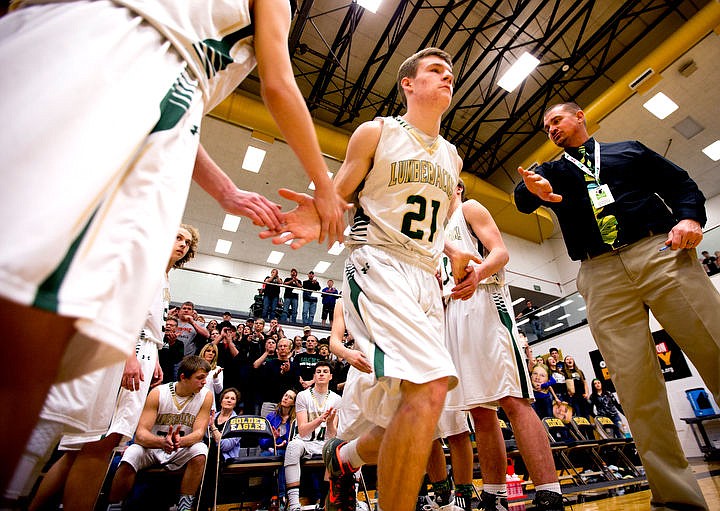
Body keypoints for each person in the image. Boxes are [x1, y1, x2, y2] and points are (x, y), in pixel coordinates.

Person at [0, 0, 348, 490]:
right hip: (127, 65)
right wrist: (324, 185)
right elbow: (277, 83)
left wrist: (225, 190)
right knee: (28, 327)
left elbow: (178, 100)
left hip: (79, 50)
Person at [265, 47, 480, 511]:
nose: (448, 78)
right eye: (436, 71)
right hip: (378, 264)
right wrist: (315, 216)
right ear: (408, 83)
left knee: (406, 417)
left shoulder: (452, 157)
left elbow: (438, 223)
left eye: (451, 73)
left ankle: (343, 457)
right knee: (430, 385)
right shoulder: (377, 132)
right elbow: (338, 195)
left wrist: (456, 248)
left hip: (426, 279)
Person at [514, 101, 720, 511]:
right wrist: (529, 190)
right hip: (599, 272)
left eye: (557, 119)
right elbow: (522, 198)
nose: (551, 128)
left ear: (579, 117)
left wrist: (690, 219)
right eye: (545, 126)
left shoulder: (629, 151)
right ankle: (677, 497)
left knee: (714, 346)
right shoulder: (552, 171)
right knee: (634, 385)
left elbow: (682, 186)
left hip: (658, 250)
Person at [5, 226, 198, 511]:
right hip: (125, 350)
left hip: (140, 349)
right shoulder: (146, 264)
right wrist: (129, 354)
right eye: (177, 237)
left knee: (79, 448)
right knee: (102, 442)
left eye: (187, 242)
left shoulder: (163, 275)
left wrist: (154, 355)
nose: (182, 244)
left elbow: (146, 321)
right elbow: (123, 310)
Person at [440, 180, 563, 511]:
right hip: (455, 318)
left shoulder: (469, 208)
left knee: (513, 399)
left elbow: (501, 252)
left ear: (455, 187)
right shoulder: (435, 234)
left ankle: (550, 494)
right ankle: (494, 496)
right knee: (480, 410)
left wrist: (477, 273)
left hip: (486, 304)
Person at [105, 356, 214, 511]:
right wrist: (162, 442)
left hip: (180, 448)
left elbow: (198, 434)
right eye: (200, 378)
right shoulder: (158, 393)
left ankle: (184, 506)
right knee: (132, 453)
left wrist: (179, 442)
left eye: (205, 378)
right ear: (183, 377)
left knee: (201, 450)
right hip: (153, 447)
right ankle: (114, 505)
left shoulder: (206, 395)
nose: (204, 382)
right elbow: (141, 435)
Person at [284, 362, 341, 511]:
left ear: (330, 376)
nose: (321, 374)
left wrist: (328, 423)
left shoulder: (336, 399)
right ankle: (294, 504)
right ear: (314, 376)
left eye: (325, 371)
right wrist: (319, 420)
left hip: (324, 442)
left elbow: (332, 434)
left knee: (336, 448)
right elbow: (302, 431)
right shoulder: (303, 396)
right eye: (318, 371)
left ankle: (324, 502)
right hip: (305, 441)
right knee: (292, 447)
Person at [266, 389, 297, 503]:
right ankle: (276, 497)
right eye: (285, 395)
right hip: (270, 449)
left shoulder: (295, 419)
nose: (285, 398)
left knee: (283, 457)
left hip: (287, 450)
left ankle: (279, 497)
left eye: (290, 397)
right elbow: (262, 442)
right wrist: (273, 439)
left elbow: (296, 438)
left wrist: (285, 443)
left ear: (293, 403)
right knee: (269, 457)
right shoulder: (271, 416)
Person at [199, 343, 224, 412]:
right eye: (208, 351)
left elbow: (219, 391)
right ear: (203, 352)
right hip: (194, 402)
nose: (211, 353)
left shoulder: (217, 369)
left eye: (213, 352)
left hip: (209, 405)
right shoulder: (195, 367)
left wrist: (215, 378)